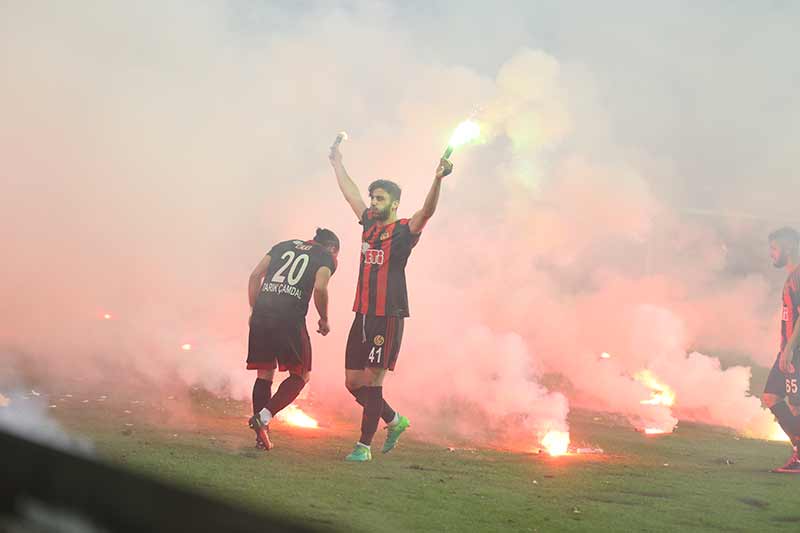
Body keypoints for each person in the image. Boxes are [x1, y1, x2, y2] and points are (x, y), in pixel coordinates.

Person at [329, 140, 453, 462]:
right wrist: (337, 163)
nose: (372, 202)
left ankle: (363, 447)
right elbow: (350, 193)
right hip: (363, 313)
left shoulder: (403, 231)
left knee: (373, 380)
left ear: (395, 204)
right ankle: (395, 421)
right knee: (353, 383)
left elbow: (427, 212)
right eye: (372, 197)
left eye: (379, 198)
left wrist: (437, 179)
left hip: (389, 314)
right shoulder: (368, 224)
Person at [246, 228, 339, 450]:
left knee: (264, 374)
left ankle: (262, 436)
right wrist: (324, 319)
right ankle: (264, 416)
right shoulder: (326, 257)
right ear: (332, 249)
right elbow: (320, 287)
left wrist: (254, 309)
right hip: (289, 319)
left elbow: (254, 276)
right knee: (301, 375)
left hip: (262, 315)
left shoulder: (283, 245)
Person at [762, 227, 800, 472]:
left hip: (795, 351)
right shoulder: (791, 276)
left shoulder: (798, 275)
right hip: (787, 350)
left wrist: (790, 351)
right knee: (770, 397)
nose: (771, 254)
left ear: (789, 247)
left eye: (775, 248)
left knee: (796, 405)